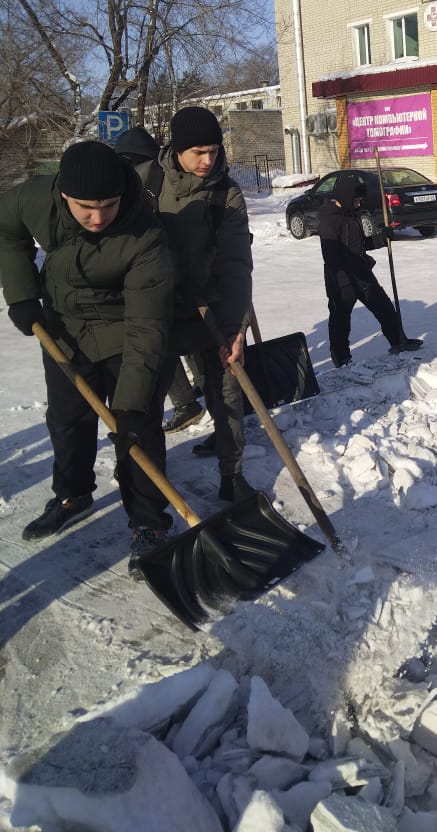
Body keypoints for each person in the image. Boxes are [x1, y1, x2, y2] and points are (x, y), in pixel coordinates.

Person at [0, 140, 176, 575]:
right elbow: (6, 228)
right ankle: (72, 494)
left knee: (137, 430)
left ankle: (149, 523)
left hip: (124, 328)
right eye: (85, 208)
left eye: (109, 206)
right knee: (66, 419)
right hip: (64, 325)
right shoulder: (35, 198)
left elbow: (146, 328)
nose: (98, 218)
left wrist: (132, 404)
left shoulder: (145, 236)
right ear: (63, 196)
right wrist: (22, 294)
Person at [139, 107, 254, 502]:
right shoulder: (146, 184)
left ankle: (232, 476)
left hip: (210, 303)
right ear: (177, 149)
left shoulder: (226, 193)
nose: (208, 161)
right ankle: (149, 491)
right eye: (198, 153)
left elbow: (236, 263)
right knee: (146, 398)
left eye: (214, 151)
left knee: (227, 388)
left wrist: (236, 328)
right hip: (156, 310)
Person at [113, 126, 206, 433]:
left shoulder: (133, 185)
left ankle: (185, 403)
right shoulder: (169, 177)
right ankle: (204, 387)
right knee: (193, 334)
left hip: (157, 277)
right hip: (186, 274)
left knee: (160, 343)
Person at [319, 172, 422, 367]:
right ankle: (342, 358)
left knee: (384, 308)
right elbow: (331, 256)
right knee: (340, 321)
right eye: (356, 199)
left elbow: (359, 245)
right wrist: (344, 282)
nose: (359, 203)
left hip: (362, 273)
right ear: (345, 197)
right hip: (341, 280)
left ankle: (399, 341)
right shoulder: (329, 220)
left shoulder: (351, 215)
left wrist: (381, 238)